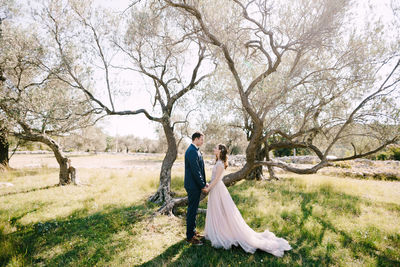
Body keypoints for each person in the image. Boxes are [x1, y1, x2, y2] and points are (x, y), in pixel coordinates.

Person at [203, 144, 292, 256]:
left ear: (220, 151)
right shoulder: (218, 162)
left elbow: (216, 179)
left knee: (223, 212)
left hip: (217, 189)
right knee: (217, 211)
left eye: (215, 148)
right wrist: (208, 185)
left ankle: (223, 234)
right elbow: (213, 179)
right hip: (215, 189)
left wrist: (208, 188)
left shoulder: (220, 164)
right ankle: (218, 232)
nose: (213, 149)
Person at [184, 131, 209, 245]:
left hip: (195, 185)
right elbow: (196, 171)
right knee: (192, 210)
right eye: (201, 139)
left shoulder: (195, 151)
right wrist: (202, 185)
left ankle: (193, 232)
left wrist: (204, 183)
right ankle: (190, 237)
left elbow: (200, 170)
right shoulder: (191, 151)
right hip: (192, 186)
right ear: (196, 139)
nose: (203, 141)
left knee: (193, 210)